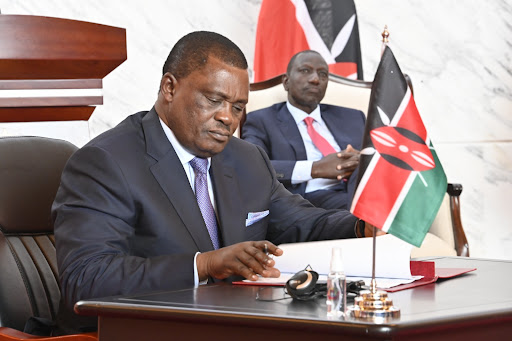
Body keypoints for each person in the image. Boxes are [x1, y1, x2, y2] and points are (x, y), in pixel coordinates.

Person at [52, 32, 371, 335]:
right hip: (134, 332)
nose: (227, 118)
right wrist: (203, 265)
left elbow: (302, 223)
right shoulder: (106, 161)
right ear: (169, 88)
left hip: (234, 325)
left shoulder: (247, 158)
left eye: (237, 107)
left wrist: (362, 226)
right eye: (214, 100)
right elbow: (85, 280)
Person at [242, 50, 365, 210]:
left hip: (361, 190)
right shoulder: (262, 120)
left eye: (323, 74)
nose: (315, 79)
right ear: (286, 82)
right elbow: (252, 167)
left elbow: (381, 159)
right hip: (309, 201)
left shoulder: (353, 117)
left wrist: (362, 161)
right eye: (305, 71)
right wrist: (315, 168)